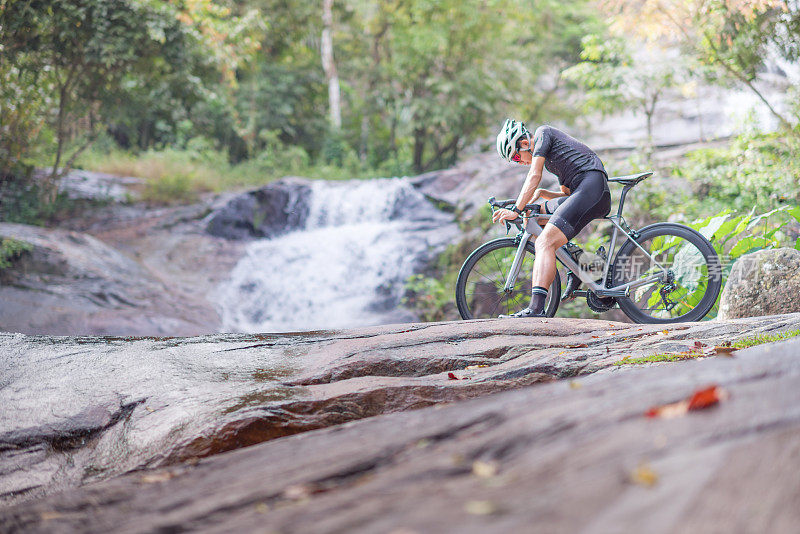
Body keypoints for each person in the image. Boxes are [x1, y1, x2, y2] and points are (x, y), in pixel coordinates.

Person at [492, 119, 611, 318]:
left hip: (592, 188)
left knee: (544, 243)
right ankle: (582, 263)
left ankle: (536, 309)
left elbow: (534, 175)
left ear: (523, 144)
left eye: (515, 157)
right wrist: (545, 194)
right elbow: (566, 194)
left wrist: (516, 209)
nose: (518, 162)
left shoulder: (542, 133)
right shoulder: (553, 159)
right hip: (586, 189)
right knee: (536, 214)